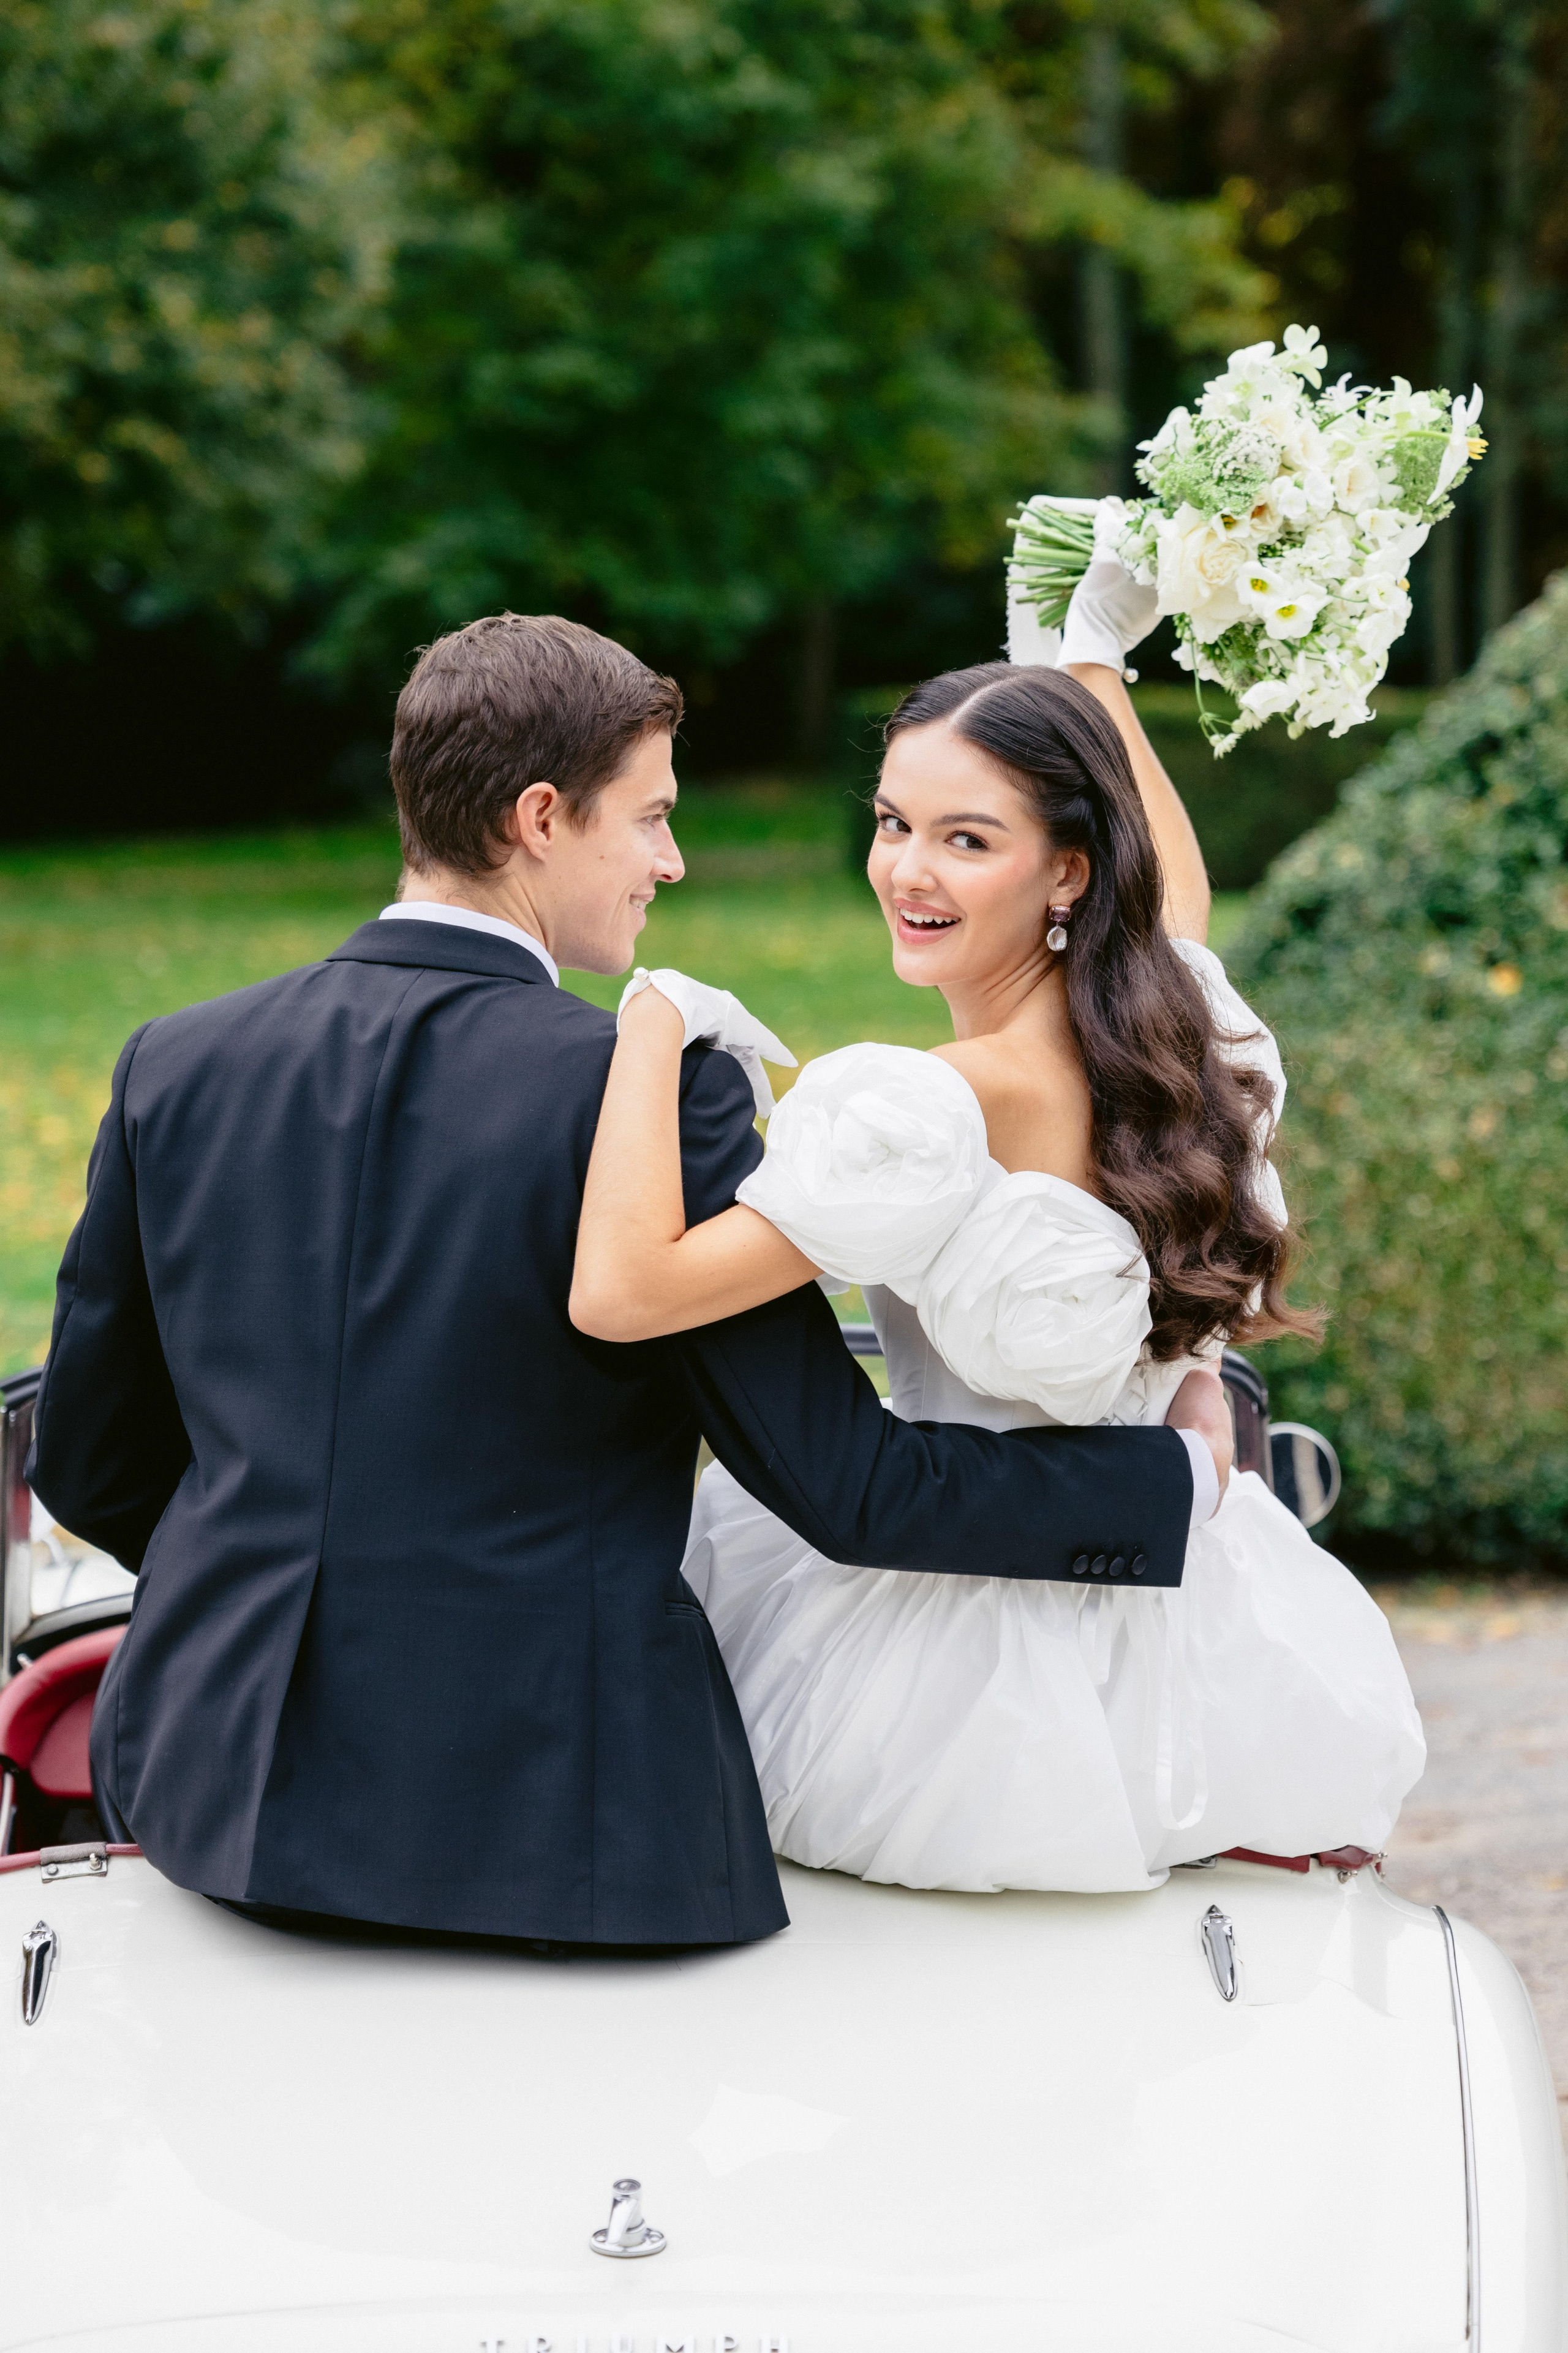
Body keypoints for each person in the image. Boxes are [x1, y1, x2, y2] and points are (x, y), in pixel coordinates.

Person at [27, 613, 1228, 1950]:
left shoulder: (180, 1059)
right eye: (652, 817)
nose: (673, 858)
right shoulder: (650, 1101)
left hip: (214, 1787)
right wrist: (1174, 1476)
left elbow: (89, 1460)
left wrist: (259, 1589)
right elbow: (841, 1481)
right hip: (562, 1824)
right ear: (542, 818)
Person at [570, 554, 1425, 1894]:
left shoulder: (930, 1105)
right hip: (1190, 1630)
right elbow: (1176, 896)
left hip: (951, 1672)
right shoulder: (1183, 1039)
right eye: (892, 822)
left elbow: (622, 1295)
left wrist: (652, 1019)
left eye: (966, 840)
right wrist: (1092, 664)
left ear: (1066, 871)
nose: (906, 871)